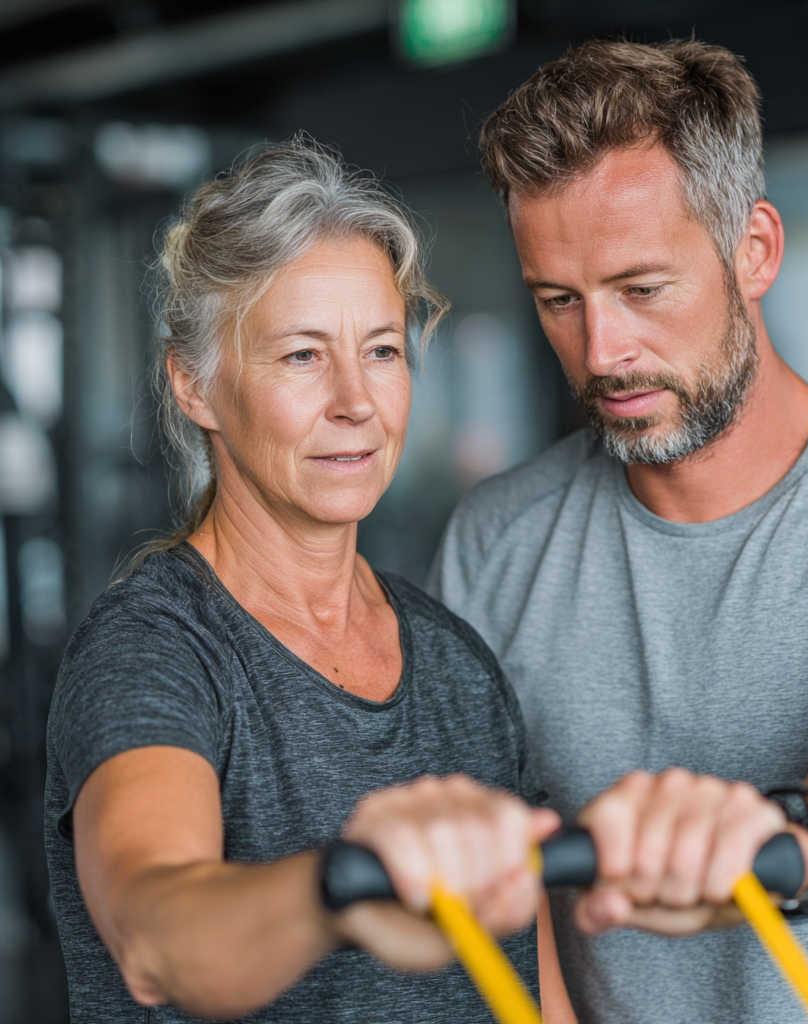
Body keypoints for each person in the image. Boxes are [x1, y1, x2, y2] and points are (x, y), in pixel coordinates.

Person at [428, 38, 808, 1024]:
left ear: (754, 250)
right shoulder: (495, 540)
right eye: (558, 302)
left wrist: (778, 837)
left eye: (641, 288)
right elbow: (500, 877)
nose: (603, 349)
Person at [43, 138, 578, 1023]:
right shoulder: (154, 651)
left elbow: (536, 989)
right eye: (301, 355)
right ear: (195, 385)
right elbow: (157, 936)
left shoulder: (454, 660)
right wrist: (348, 883)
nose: (355, 401)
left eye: (380, 351)